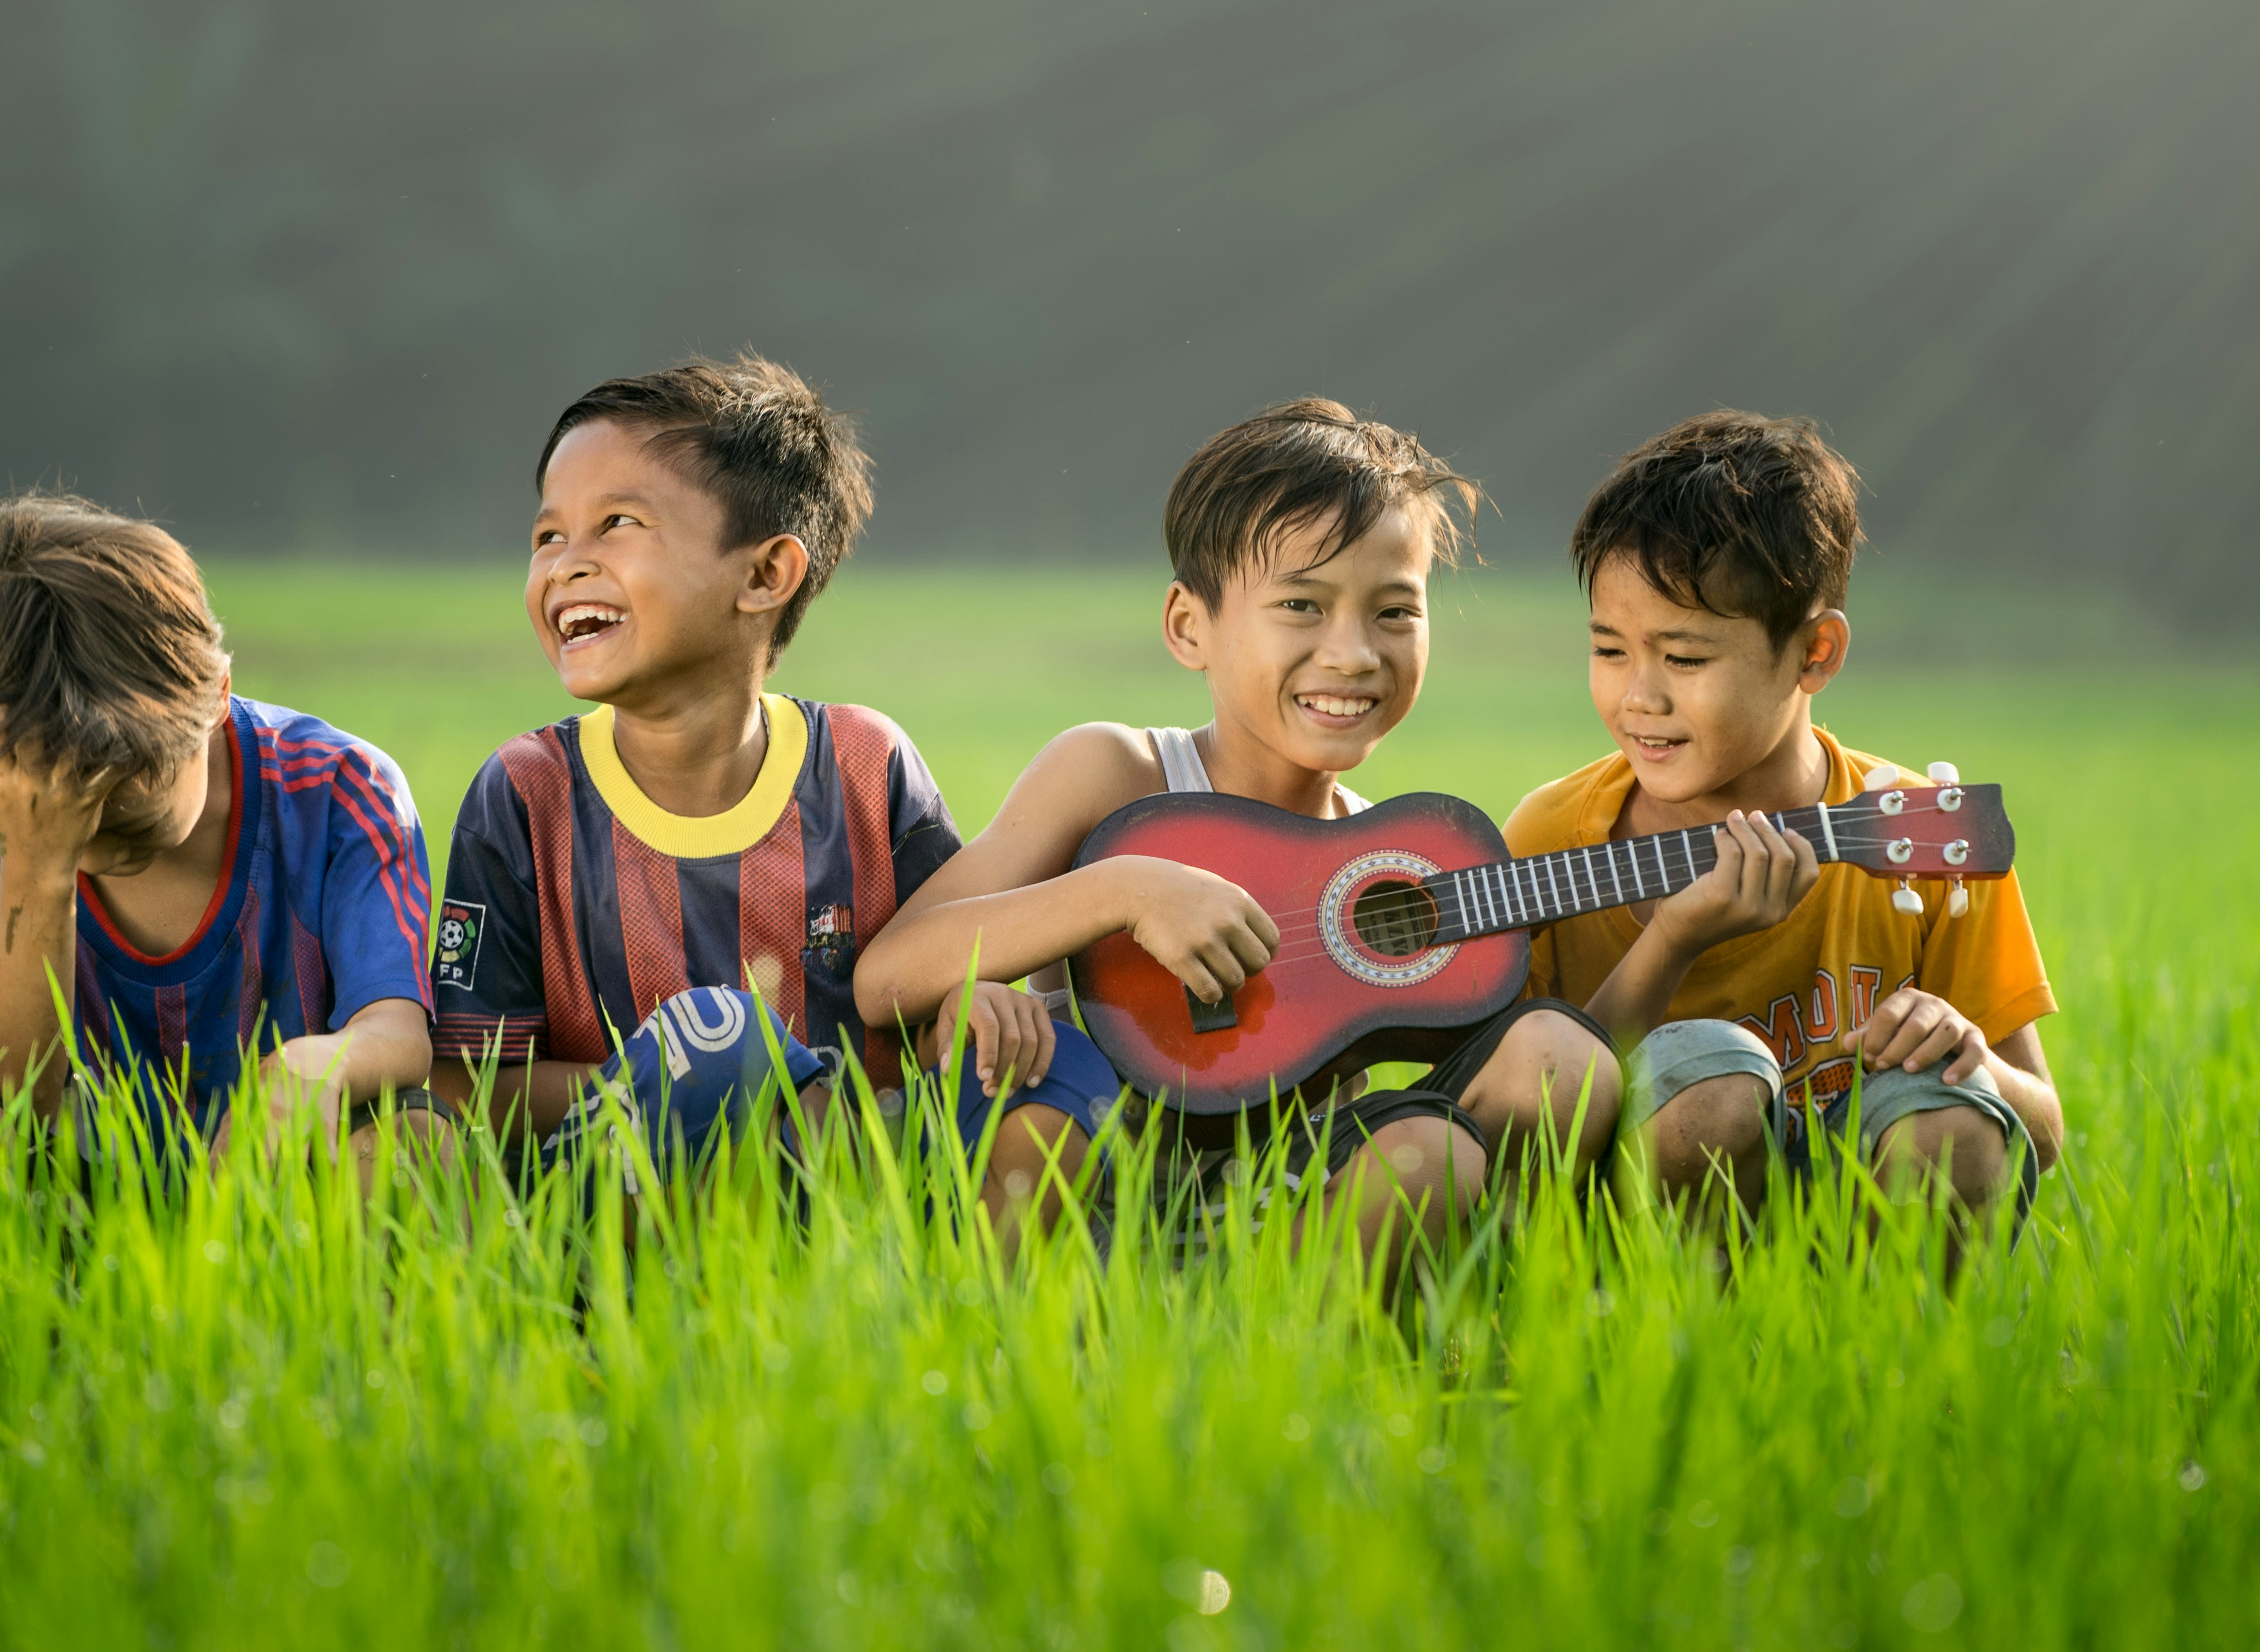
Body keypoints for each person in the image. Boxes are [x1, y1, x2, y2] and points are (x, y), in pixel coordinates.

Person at [854, 400, 1622, 1287]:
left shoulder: (1392, 861)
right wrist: (1126, 892)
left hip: (1294, 1214)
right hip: (1100, 1198)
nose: (1353, 654)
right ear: (1190, 626)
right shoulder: (1119, 772)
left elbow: (1530, 1073)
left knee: (1502, 1102)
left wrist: (1684, 924)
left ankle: (1334, 1355)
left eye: (1394, 613)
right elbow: (888, 975)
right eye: (1302, 604)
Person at [426, 353, 1116, 1242]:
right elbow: (469, 1083)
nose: (568, 565)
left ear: (765, 576)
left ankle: (961, 1320)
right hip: (623, 1205)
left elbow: (937, 974)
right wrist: (744, 1083)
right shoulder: (525, 793)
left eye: (618, 525)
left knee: (1065, 1060)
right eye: (549, 537)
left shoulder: (867, 764)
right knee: (719, 1035)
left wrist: (973, 1003)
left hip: (860, 1181)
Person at [1512, 410, 2065, 1236]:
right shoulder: (1551, 834)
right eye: (1610, 650)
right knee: (1708, 1093)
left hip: (1853, 1222)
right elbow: (1517, 1140)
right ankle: (1690, 1355)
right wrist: (1672, 940)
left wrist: (1970, 1057)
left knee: (1952, 1121)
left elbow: (2044, 1131)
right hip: (1630, 1250)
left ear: (1816, 654)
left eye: (1686, 658)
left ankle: (1900, 1358)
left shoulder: (1920, 836)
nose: (1639, 696)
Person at [0, 494, 444, 1190]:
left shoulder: (337, 790)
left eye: (113, 786)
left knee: (412, 1140)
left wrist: (316, 1064)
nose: (79, 817)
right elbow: (2, 1105)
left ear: (213, 698)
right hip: (67, 1200)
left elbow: (397, 1029)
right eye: (49, 791)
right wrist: (36, 861)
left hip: (287, 1185)